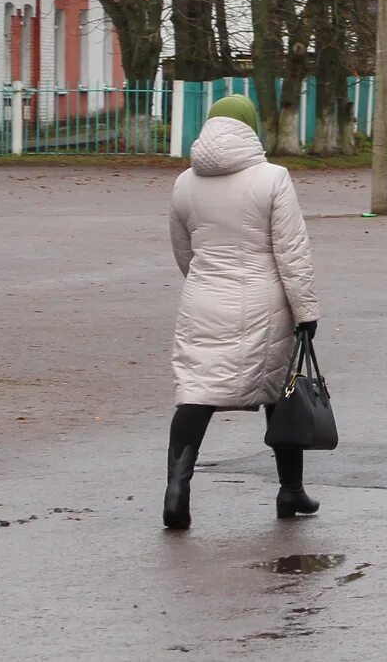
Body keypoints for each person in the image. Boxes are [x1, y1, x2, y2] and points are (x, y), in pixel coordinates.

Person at [163, 95, 321, 530]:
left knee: (196, 392)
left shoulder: (184, 183)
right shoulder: (273, 178)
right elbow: (292, 251)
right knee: (279, 391)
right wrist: (305, 309)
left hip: (203, 298)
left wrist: (207, 282)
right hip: (262, 300)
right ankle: (290, 491)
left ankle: (177, 490)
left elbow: (183, 251)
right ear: (252, 127)